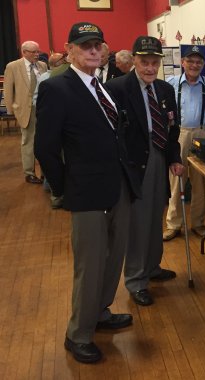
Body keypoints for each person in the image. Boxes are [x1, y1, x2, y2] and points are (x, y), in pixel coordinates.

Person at [34, 22, 140, 364]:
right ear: (70, 49)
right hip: (86, 191)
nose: (93, 50)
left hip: (118, 185)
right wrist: (65, 188)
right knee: (90, 263)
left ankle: (101, 312)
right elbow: (45, 148)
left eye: (98, 45)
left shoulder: (102, 86)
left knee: (114, 257)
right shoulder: (58, 88)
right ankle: (78, 333)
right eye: (85, 46)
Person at [105, 36, 183, 307]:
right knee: (137, 221)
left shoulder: (165, 89)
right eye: (144, 62)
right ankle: (136, 279)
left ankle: (152, 267)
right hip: (133, 161)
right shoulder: (116, 88)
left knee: (155, 214)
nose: (150, 68)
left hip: (159, 156)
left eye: (154, 63)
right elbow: (110, 132)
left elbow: (172, 128)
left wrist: (175, 157)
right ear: (134, 61)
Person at [163, 45, 205, 241]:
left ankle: (198, 223)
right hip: (179, 133)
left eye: (198, 62)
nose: (194, 65)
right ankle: (173, 224)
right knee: (176, 180)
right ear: (182, 62)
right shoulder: (171, 83)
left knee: (200, 182)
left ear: (203, 64)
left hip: (204, 134)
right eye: (190, 61)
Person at [3, 40, 48, 184]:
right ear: (24, 52)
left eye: (38, 51)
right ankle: (29, 173)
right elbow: (8, 89)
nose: (37, 54)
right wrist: (10, 110)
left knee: (44, 141)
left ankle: (45, 171)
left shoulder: (42, 65)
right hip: (25, 109)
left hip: (43, 109)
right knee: (28, 142)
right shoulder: (13, 66)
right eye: (34, 52)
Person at [33, 52, 66, 209]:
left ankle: (54, 189)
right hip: (53, 125)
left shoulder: (47, 77)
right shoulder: (48, 79)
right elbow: (37, 100)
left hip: (53, 126)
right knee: (53, 155)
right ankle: (56, 192)